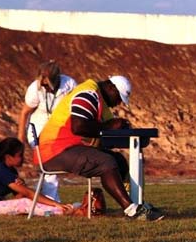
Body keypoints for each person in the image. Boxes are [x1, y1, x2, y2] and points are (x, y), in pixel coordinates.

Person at [37, 76, 163, 221]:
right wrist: (110, 126)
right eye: (119, 98)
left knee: (119, 160)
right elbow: (78, 126)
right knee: (106, 162)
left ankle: (136, 203)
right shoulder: (88, 94)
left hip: (65, 148)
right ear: (111, 88)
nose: (118, 103)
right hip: (54, 149)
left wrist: (121, 128)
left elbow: (106, 134)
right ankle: (132, 210)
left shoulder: (99, 101)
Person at [16, 60, 76, 201]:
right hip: (39, 127)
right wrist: (21, 138)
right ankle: (51, 201)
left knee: (49, 166)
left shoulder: (70, 85)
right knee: (48, 164)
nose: (45, 88)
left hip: (60, 127)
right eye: (42, 85)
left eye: (47, 85)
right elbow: (25, 112)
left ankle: (39, 198)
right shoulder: (34, 89)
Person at [0, 137, 73, 216]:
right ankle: (58, 211)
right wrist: (54, 203)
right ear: (8, 157)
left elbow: (21, 195)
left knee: (24, 202)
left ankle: (59, 209)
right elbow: (28, 193)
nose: (23, 158)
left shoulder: (10, 171)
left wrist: (22, 186)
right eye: (20, 155)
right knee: (25, 203)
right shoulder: (0, 170)